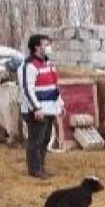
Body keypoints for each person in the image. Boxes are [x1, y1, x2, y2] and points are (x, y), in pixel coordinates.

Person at [18, 34, 62, 179]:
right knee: (35, 140)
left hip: (49, 108)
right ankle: (34, 169)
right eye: (45, 44)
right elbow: (27, 89)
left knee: (45, 139)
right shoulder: (28, 66)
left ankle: (41, 167)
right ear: (37, 47)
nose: (48, 47)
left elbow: (54, 86)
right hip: (36, 110)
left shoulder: (48, 64)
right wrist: (36, 108)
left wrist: (60, 104)